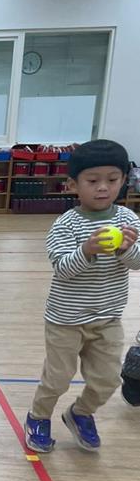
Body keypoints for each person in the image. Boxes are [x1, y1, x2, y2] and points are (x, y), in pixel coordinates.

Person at [25, 139, 140, 453]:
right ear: (73, 185)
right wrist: (87, 250)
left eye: (112, 180)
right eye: (92, 181)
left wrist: (126, 249)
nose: (103, 187)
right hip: (65, 320)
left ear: (123, 180)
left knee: (107, 380)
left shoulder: (129, 221)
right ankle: (38, 417)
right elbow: (63, 269)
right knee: (58, 378)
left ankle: (80, 413)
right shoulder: (66, 225)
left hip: (107, 318)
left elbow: (138, 262)